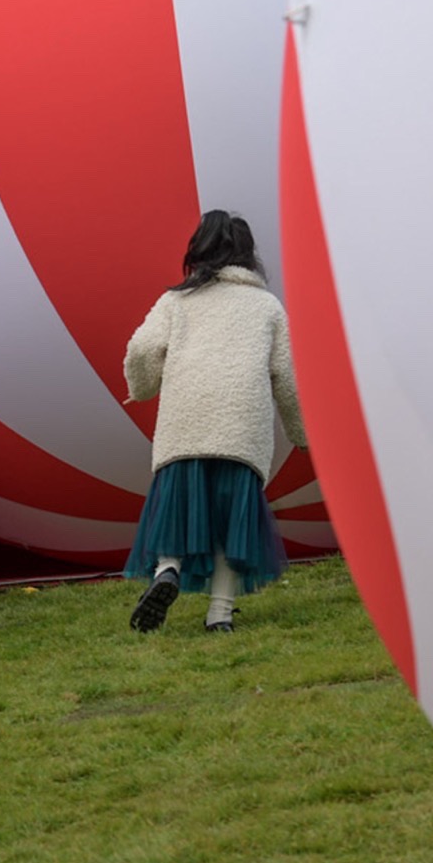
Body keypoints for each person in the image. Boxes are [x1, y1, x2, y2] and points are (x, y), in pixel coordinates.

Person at [122, 210, 308, 633]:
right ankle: (220, 615)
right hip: (241, 422)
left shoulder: (176, 302)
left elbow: (141, 347)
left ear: (199, 252)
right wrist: (301, 433)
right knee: (232, 521)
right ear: (247, 255)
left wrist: (144, 388)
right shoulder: (266, 307)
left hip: (186, 419)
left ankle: (167, 569)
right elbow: (289, 377)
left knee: (178, 503)